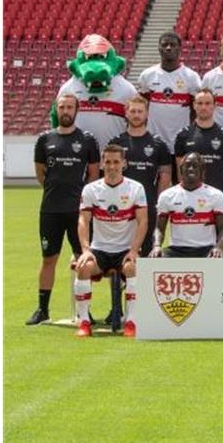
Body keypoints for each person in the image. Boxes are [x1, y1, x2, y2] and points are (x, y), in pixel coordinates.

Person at [28, 93, 100, 325]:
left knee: (83, 259)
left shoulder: (87, 140)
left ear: (76, 110)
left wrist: (81, 199)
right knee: (49, 258)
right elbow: (41, 174)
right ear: (56, 110)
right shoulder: (44, 139)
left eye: (70, 107)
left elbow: (93, 174)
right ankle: (42, 310)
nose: (66, 111)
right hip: (50, 209)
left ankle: (84, 311)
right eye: (62, 107)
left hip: (78, 212)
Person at [73, 144, 148, 337]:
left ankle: (132, 321)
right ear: (102, 164)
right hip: (100, 250)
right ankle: (84, 322)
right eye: (108, 162)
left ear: (124, 163)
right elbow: (83, 220)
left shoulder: (135, 188)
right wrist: (86, 250)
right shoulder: (91, 189)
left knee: (132, 268)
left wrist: (133, 250)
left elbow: (143, 221)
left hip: (124, 249)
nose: (112, 166)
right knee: (83, 267)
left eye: (116, 162)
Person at [112, 95, 172, 258]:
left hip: (148, 204)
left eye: (140, 111)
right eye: (133, 111)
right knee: (117, 249)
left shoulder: (157, 144)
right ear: (126, 113)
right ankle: (119, 283)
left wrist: (158, 199)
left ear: (146, 114)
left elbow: (165, 173)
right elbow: (109, 174)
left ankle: (143, 283)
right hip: (121, 205)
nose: (136, 115)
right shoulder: (117, 143)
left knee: (147, 249)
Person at [57, 39, 139, 148]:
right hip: (79, 155)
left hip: (114, 158)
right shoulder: (68, 88)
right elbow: (58, 120)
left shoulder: (127, 89)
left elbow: (137, 122)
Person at [152, 153, 223, 258]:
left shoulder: (215, 195)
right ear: (180, 169)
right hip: (176, 249)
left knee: (219, 258)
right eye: (187, 165)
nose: (191, 169)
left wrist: (219, 247)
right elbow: (159, 228)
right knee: (155, 258)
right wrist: (156, 245)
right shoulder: (167, 195)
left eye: (195, 166)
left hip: (206, 249)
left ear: (202, 170)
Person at [137, 31, 202, 153]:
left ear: (180, 49)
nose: (168, 48)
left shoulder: (191, 77)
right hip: (153, 140)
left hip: (182, 140)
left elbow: (196, 110)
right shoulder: (147, 75)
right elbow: (142, 107)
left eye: (172, 45)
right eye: (164, 44)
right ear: (159, 48)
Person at [174, 89, 223, 201]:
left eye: (208, 103)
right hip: (191, 198)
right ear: (194, 105)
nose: (203, 107)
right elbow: (180, 171)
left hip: (217, 197)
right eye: (199, 103)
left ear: (215, 105)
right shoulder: (183, 135)